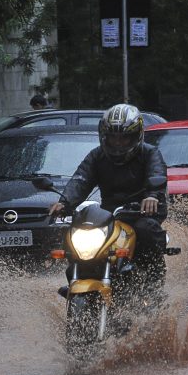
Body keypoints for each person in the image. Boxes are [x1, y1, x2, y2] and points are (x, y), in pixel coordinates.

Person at [48, 103, 168, 297]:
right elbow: (81, 179)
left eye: (124, 137)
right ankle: (76, 279)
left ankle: (153, 287)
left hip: (140, 211)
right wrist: (65, 202)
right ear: (105, 135)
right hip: (110, 213)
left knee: (147, 230)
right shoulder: (97, 156)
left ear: (136, 135)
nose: (118, 142)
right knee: (75, 232)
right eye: (113, 137)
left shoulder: (150, 153)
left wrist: (152, 196)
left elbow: (157, 173)